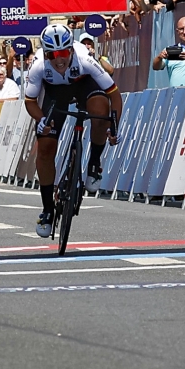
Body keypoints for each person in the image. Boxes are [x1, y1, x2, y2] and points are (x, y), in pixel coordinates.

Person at [25, 24, 122, 238]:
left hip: (84, 84)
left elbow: (114, 94)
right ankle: (48, 210)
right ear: (45, 53)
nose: (59, 60)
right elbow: (30, 101)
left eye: (63, 53)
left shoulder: (85, 59)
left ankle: (94, 163)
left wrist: (114, 126)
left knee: (100, 112)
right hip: (54, 93)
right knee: (45, 148)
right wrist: (41, 120)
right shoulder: (39, 66)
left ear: (71, 49)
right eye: (53, 55)